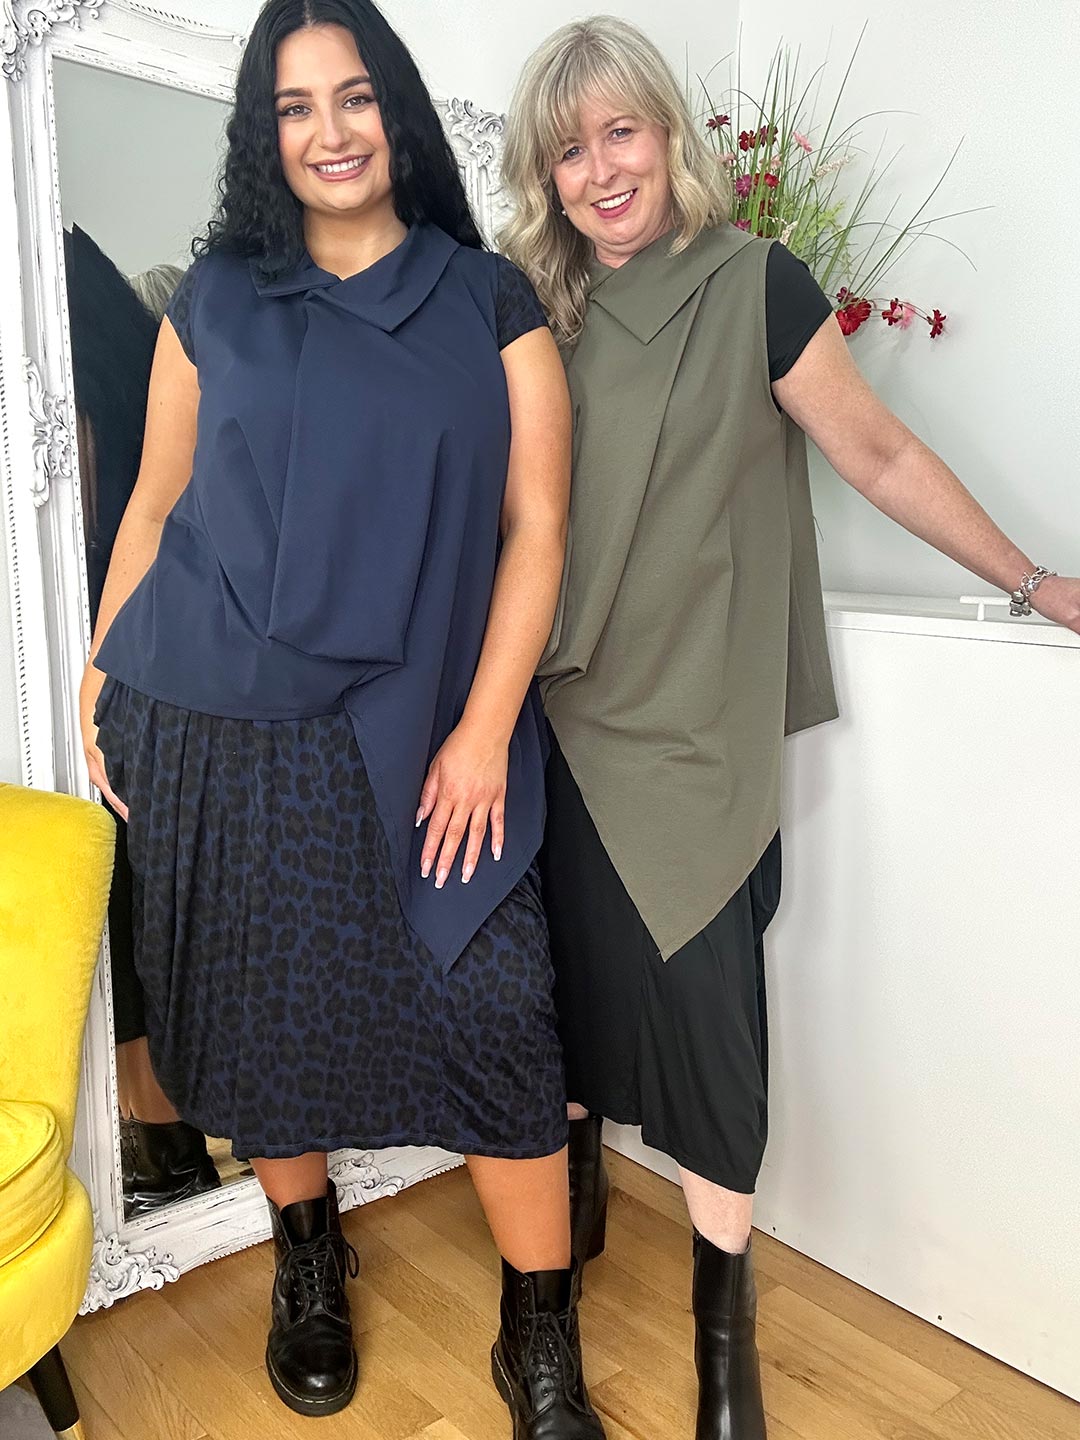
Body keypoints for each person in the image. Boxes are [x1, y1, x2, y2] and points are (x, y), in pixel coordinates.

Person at [499, 17, 1080, 1438]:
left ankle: (722, 1343)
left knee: (713, 1034)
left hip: (697, 722)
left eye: (621, 132)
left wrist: (1028, 575)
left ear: (669, 134)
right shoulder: (528, 314)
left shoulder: (755, 283)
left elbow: (872, 448)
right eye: (569, 151)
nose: (599, 171)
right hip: (556, 717)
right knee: (554, 1017)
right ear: (546, 176)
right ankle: (545, 1317)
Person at [79, 3, 604, 1433]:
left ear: (399, 116)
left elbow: (536, 530)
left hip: (428, 725)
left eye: (355, 98)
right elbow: (156, 503)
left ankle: (536, 1334)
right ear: (266, 131)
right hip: (218, 725)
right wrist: (101, 662)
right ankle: (306, 1256)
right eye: (296, 106)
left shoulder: (486, 297)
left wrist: (487, 726)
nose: (329, 132)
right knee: (259, 1019)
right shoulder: (213, 302)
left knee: (498, 1014)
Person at [65, 224, 223, 1214]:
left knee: (135, 858)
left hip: (116, 606)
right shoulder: (96, 291)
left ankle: (161, 1129)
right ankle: (160, 1131)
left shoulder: (72, 280)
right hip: (115, 605)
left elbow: (110, 484)